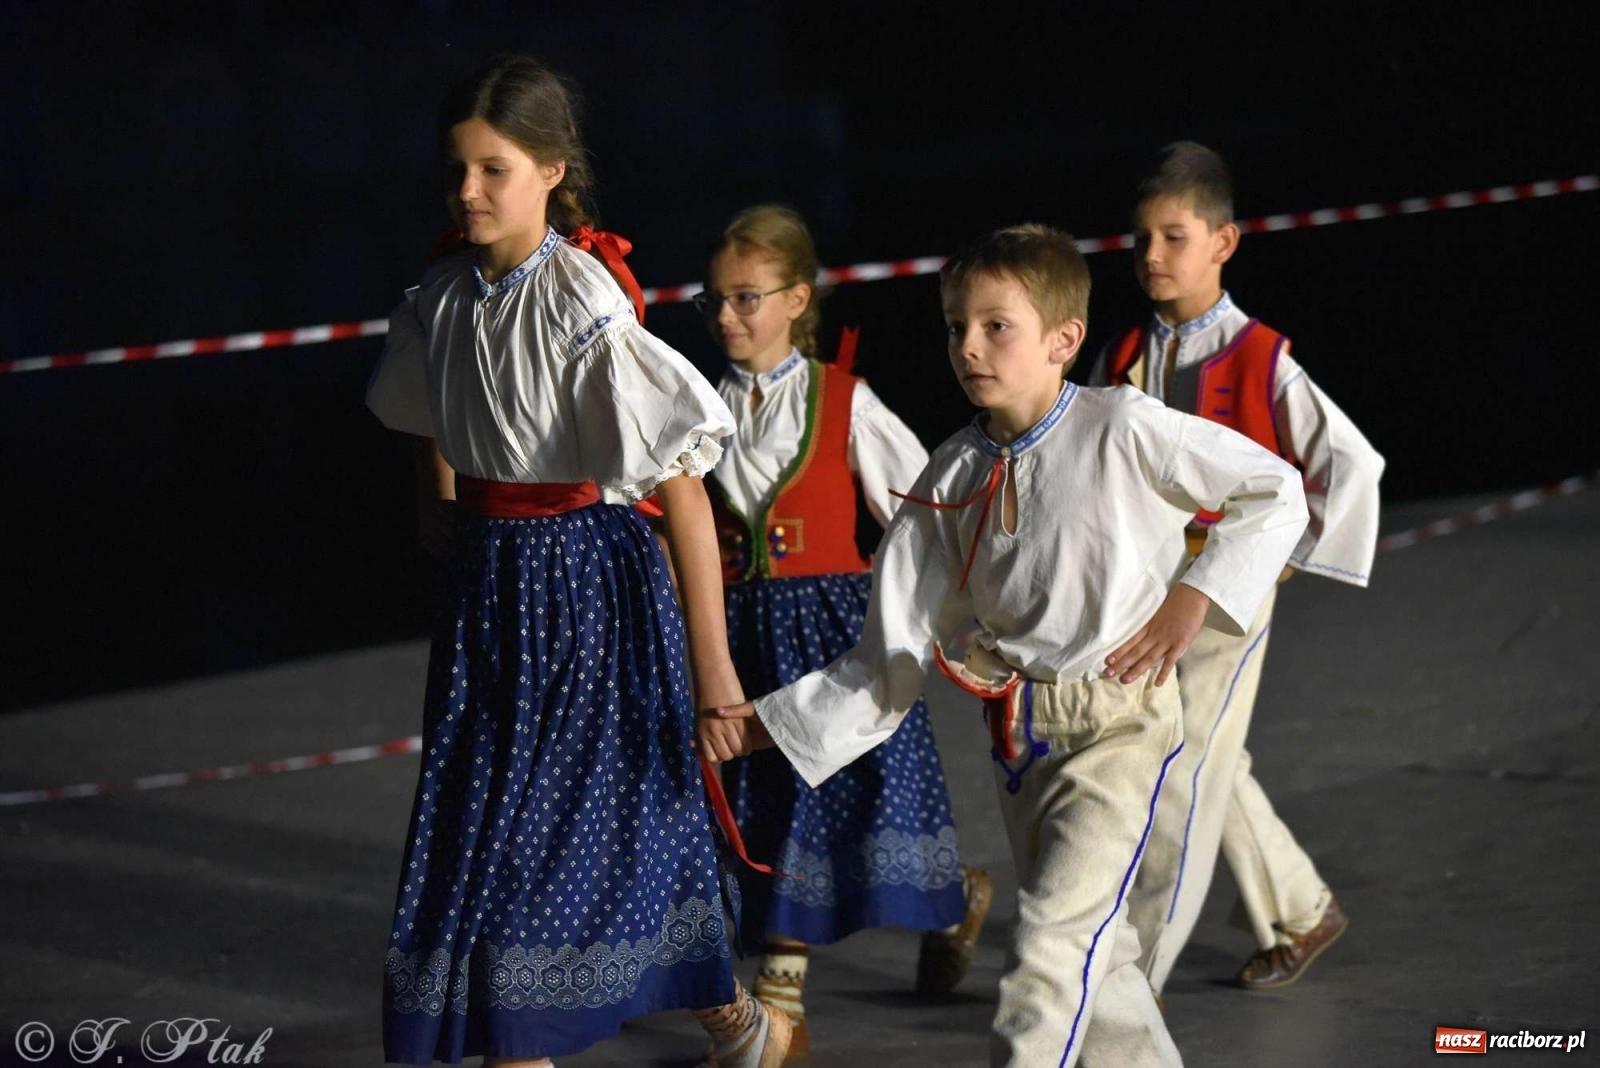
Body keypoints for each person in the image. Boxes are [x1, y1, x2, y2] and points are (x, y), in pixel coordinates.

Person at [700, 223, 1308, 1066]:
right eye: (957, 327)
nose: (969, 346)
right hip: (1021, 744)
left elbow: (1274, 491)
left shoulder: (1121, 425)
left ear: (1064, 339)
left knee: (1048, 956)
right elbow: (889, 658)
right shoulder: (948, 478)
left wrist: (1192, 598)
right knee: (1106, 966)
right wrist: (764, 724)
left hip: (1121, 729)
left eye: (996, 326)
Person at [366, 54, 790, 1067]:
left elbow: (679, 485)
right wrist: (443, 496)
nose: (468, 192)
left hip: (581, 586)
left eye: (494, 170)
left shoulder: (578, 299)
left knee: (570, 835)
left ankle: (684, 1019)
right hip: (490, 589)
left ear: (552, 170)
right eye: (459, 169)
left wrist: (714, 669)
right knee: (498, 828)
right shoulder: (442, 291)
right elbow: (422, 402)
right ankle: (729, 1021)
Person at [696, 205, 992, 1058]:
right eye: (717, 300)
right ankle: (948, 900)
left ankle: (782, 1002)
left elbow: (919, 515)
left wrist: (937, 622)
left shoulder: (844, 401)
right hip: (740, 638)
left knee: (849, 808)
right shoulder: (696, 412)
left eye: (747, 298)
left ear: (796, 299)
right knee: (762, 815)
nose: (726, 317)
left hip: (829, 636)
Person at [1095, 142, 1384, 994]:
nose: (1151, 255)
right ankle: (1301, 907)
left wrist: (1287, 555)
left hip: (1224, 595)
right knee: (1204, 756)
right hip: (1146, 594)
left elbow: (1351, 463)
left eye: (1174, 237)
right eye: (1141, 238)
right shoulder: (1119, 357)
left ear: (1224, 242)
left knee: (1180, 772)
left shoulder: (1262, 357)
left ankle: (1133, 978)